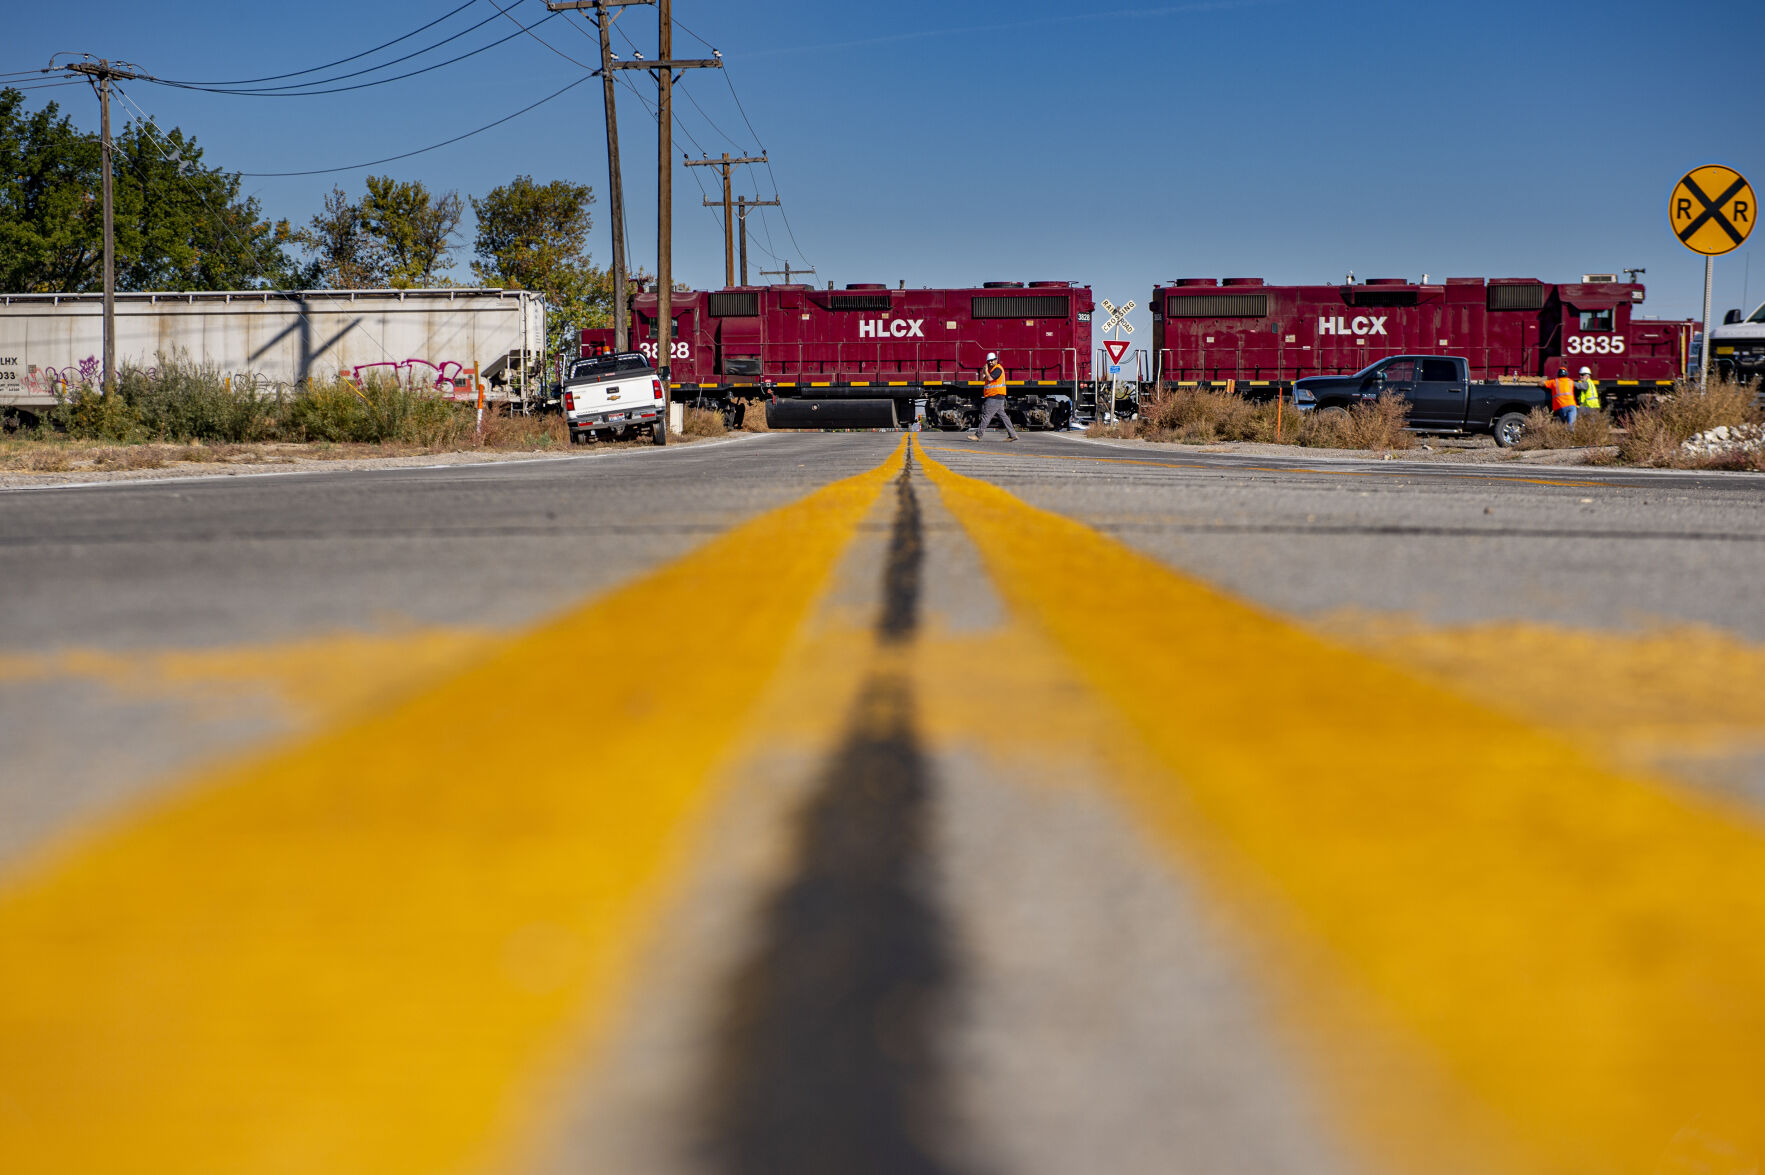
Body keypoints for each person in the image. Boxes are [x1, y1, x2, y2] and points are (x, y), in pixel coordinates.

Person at [970, 351, 1018, 442]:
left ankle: (978, 435)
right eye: (988, 361)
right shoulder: (991, 370)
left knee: (986, 415)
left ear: (996, 360)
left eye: (992, 360)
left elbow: (990, 378)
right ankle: (1012, 435)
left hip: (994, 396)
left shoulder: (998, 369)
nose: (990, 362)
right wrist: (984, 371)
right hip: (997, 397)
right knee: (1003, 416)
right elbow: (982, 379)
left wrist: (986, 372)